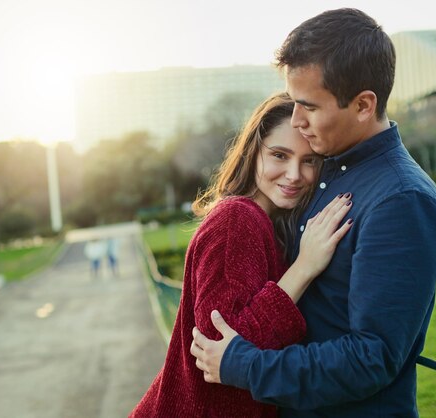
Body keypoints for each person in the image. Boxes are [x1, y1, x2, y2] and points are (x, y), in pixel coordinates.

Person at [190, 8, 436, 417]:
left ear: (364, 104)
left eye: (308, 107)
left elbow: (371, 357)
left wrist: (245, 363)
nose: (297, 121)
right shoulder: (323, 168)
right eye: (294, 103)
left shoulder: (401, 201)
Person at [130, 92, 353, 417]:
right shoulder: (236, 219)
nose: (294, 174)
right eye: (279, 155)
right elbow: (219, 348)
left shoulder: (265, 223)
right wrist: (304, 267)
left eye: (309, 161)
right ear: (254, 152)